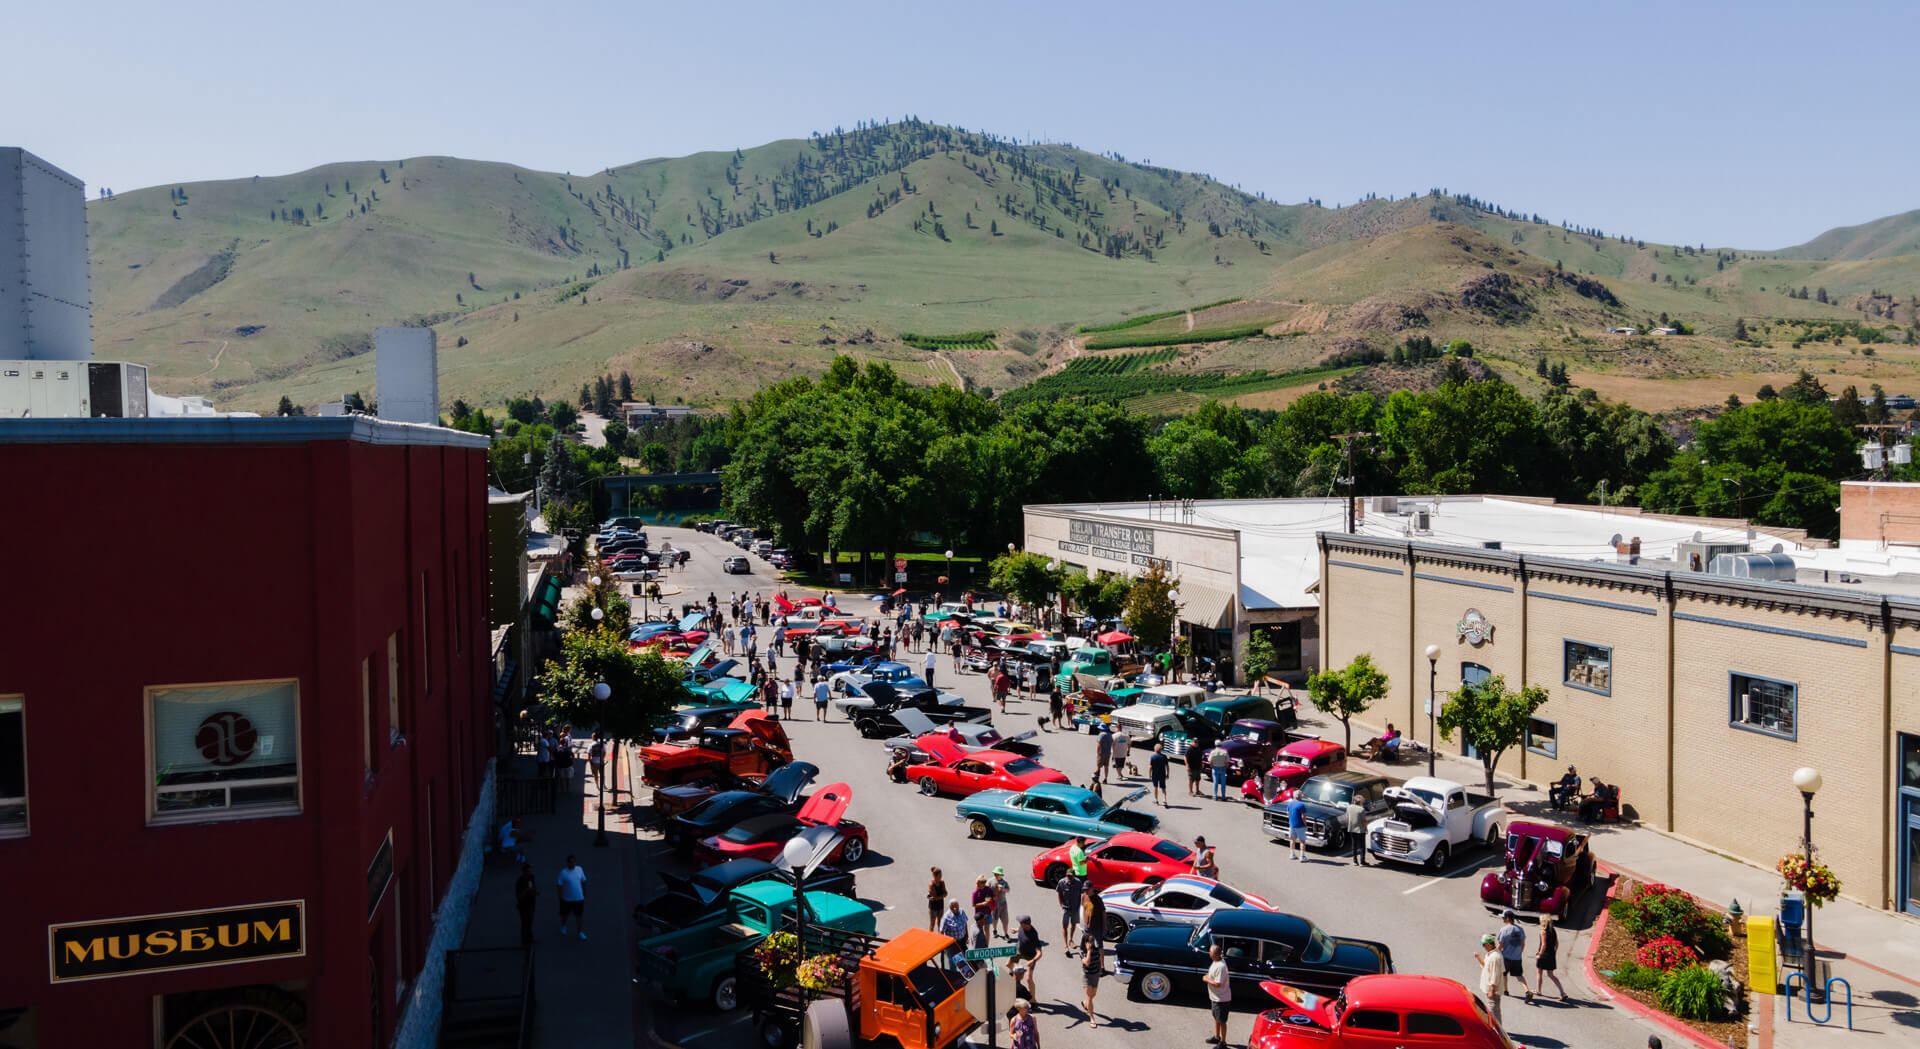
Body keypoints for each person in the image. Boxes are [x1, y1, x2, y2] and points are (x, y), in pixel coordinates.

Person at [1534, 914, 1569, 1000]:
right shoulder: (1553, 930)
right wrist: (1554, 953)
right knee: (1551, 975)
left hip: (1543, 955)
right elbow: (1557, 944)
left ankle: (1538, 990)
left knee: (1539, 973)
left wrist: (1539, 954)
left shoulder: (1543, 931)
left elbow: (1543, 945)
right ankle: (1562, 992)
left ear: (1543, 922)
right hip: (1551, 955)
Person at [1498, 910, 1530, 1002]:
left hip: (1506, 957)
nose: (1502, 919)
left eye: (1503, 917)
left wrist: (1496, 953)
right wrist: (1520, 952)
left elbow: (1500, 946)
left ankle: (1506, 990)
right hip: (1517, 957)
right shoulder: (1520, 929)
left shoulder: (1503, 930)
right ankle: (1527, 991)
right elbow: (1523, 943)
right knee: (1519, 975)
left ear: (1507, 918)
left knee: (1504, 974)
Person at [1203, 942, 1232, 1045]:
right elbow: (1212, 975)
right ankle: (1216, 1036)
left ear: (1215, 954)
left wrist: (1206, 979)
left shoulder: (1221, 966)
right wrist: (1208, 976)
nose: (1209, 953)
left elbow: (1218, 983)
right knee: (1216, 1018)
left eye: (1210, 952)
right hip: (1215, 997)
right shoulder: (1216, 961)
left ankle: (1223, 1042)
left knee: (1222, 1021)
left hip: (1221, 999)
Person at [1475, 933, 1504, 1028]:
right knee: (1494, 1010)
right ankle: (1497, 1028)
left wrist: (1492, 990)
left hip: (1492, 989)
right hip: (1489, 988)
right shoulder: (1490, 954)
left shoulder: (1495, 957)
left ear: (1489, 944)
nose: (1483, 947)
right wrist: (1479, 958)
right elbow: (1486, 967)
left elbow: (1495, 975)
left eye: (1484, 945)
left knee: (1493, 1010)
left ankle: (1497, 1029)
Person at [556, 855, 587, 940]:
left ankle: (580, 932)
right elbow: (559, 885)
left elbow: (583, 881)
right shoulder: (563, 872)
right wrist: (560, 897)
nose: (572, 863)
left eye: (573, 862)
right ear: (567, 863)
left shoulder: (579, 869)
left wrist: (584, 893)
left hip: (579, 898)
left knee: (579, 916)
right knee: (565, 915)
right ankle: (563, 926)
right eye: (570, 862)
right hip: (567, 899)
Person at [1014, 915, 1042, 998]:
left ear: (1026, 924)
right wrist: (1016, 930)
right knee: (1009, 966)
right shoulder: (1022, 927)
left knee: (1028, 979)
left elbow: (1039, 953)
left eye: (1021, 923)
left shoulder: (1033, 935)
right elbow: (1019, 929)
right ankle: (1016, 987)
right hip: (1019, 951)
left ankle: (1033, 1000)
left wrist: (1032, 960)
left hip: (1030, 956)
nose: (1019, 923)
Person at [1057, 870, 1083, 955]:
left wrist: (1080, 905)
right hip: (1066, 908)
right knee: (1065, 926)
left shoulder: (1078, 883)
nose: (1069, 877)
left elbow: (1081, 894)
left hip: (1075, 908)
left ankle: (1071, 940)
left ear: (1074, 876)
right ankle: (1066, 946)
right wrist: (1061, 905)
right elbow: (1059, 893)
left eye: (1071, 876)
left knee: (1073, 924)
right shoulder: (1062, 882)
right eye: (1068, 876)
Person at [1081, 927, 1104, 1020]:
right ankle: (1091, 1018)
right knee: (1090, 997)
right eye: (1090, 941)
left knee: (1093, 995)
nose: (1092, 942)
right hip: (1087, 977)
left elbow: (1099, 960)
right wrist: (1089, 951)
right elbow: (1087, 962)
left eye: (1093, 940)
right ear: (1085, 942)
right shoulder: (1082, 953)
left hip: (1095, 975)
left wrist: (1100, 970)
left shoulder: (1097, 950)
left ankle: (1085, 1003)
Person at [514, 861, 538, 945]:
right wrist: (526, 891)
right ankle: (524, 941)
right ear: (524, 872)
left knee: (529, 922)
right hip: (523, 906)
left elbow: (531, 886)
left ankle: (529, 937)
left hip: (531, 904)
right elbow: (519, 896)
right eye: (528, 870)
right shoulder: (520, 881)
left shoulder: (531, 877)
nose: (530, 872)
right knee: (525, 923)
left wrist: (534, 891)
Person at [971, 876, 994, 949]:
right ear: (978, 883)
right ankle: (979, 945)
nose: (984, 883)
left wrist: (991, 899)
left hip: (987, 913)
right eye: (982, 882)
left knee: (987, 929)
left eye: (984, 882)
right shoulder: (975, 893)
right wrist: (983, 904)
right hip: (979, 915)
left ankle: (986, 945)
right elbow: (973, 905)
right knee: (979, 930)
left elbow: (994, 897)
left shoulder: (988, 889)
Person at [1285, 792, 1309, 860]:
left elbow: (1288, 813)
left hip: (1292, 825)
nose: (1302, 797)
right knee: (1302, 841)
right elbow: (1303, 816)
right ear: (1299, 796)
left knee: (1292, 840)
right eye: (1301, 795)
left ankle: (1292, 854)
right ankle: (1302, 857)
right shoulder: (1301, 805)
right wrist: (1305, 824)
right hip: (1300, 825)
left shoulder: (1290, 803)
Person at [993, 866, 1013, 939]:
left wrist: (1003, 889)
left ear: (1001, 875)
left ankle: (1006, 934)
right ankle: (994, 930)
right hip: (995, 904)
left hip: (1003, 903)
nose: (996, 875)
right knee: (995, 918)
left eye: (998, 874)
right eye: (995, 874)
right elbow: (987, 891)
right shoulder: (991, 881)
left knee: (1005, 920)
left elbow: (1008, 890)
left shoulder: (1004, 882)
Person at [927, 866, 948, 932]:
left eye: (941, 875)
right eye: (939, 876)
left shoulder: (942, 882)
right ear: (934, 876)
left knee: (940, 923)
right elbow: (935, 896)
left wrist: (938, 897)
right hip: (933, 908)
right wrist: (942, 896)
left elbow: (945, 893)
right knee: (932, 924)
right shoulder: (931, 884)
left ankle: (940, 937)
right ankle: (930, 937)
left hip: (940, 906)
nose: (940, 877)